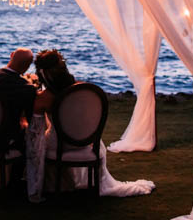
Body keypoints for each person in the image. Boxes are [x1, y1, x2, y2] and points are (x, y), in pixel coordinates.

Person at [25, 49, 155, 201]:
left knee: (32, 142)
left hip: (58, 144)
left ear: (41, 73)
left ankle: (51, 184)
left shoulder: (43, 98)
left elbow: (36, 132)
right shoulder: (85, 90)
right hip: (87, 142)